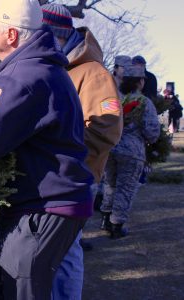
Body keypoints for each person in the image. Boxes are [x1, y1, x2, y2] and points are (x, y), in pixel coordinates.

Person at [0, 0, 93, 298]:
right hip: (53, 204)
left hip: (43, 207)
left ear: (10, 34)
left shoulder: (23, 76)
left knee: (21, 291)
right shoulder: (41, 68)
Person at [41, 3, 123, 298]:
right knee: (54, 251)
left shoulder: (93, 73)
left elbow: (107, 127)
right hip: (56, 177)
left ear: (55, 35)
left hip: (76, 176)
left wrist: (65, 160)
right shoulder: (58, 68)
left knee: (65, 251)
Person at [100, 63, 160, 239]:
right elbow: (152, 132)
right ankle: (116, 225)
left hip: (110, 148)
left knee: (110, 184)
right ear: (140, 82)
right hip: (132, 151)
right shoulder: (143, 103)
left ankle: (105, 218)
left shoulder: (112, 100)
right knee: (125, 188)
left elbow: (104, 123)